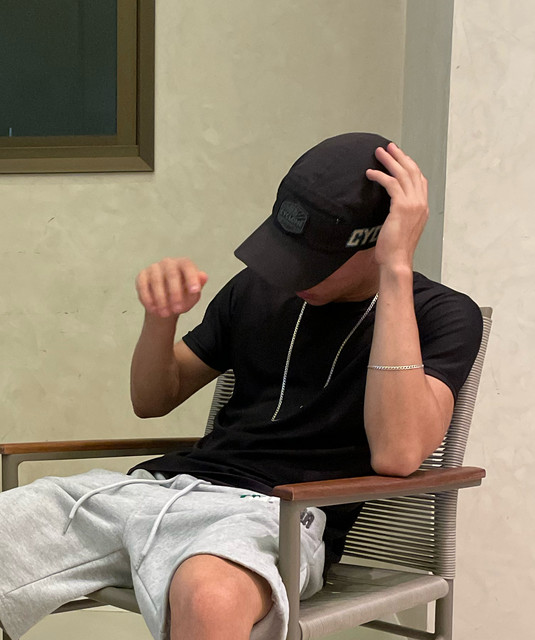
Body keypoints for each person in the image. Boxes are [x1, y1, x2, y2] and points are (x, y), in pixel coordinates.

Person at [0, 133, 483, 640]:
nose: (294, 275)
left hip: (277, 514)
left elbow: (397, 453)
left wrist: (396, 269)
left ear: (380, 239)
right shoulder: (257, 289)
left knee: (210, 597)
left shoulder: (442, 315)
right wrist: (160, 321)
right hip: (160, 490)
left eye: (314, 261)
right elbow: (152, 400)